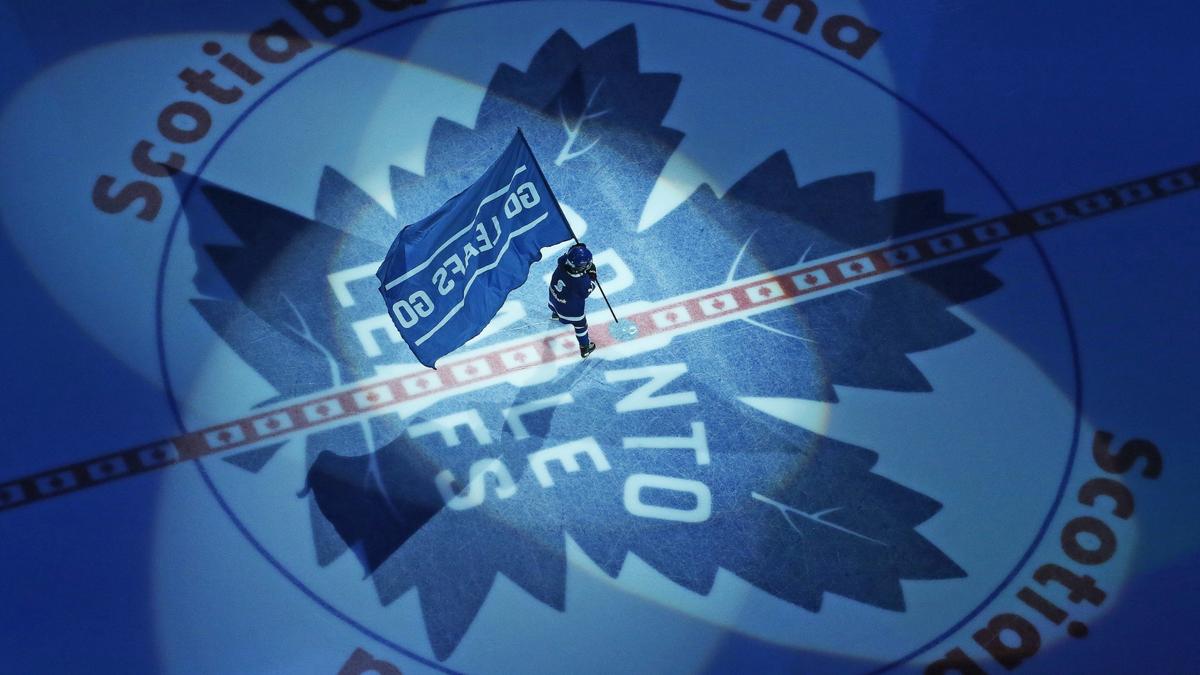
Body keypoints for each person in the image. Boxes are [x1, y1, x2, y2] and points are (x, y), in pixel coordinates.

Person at [548, 243, 598, 358]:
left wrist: (576, 249)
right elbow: (588, 290)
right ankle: (585, 348)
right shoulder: (580, 281)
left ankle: (555, 314)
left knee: (556, 304)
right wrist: (593, 274)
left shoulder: (562, 262)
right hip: (570, 310)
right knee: (581, 326)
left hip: (554, 297)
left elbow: (567, 255)